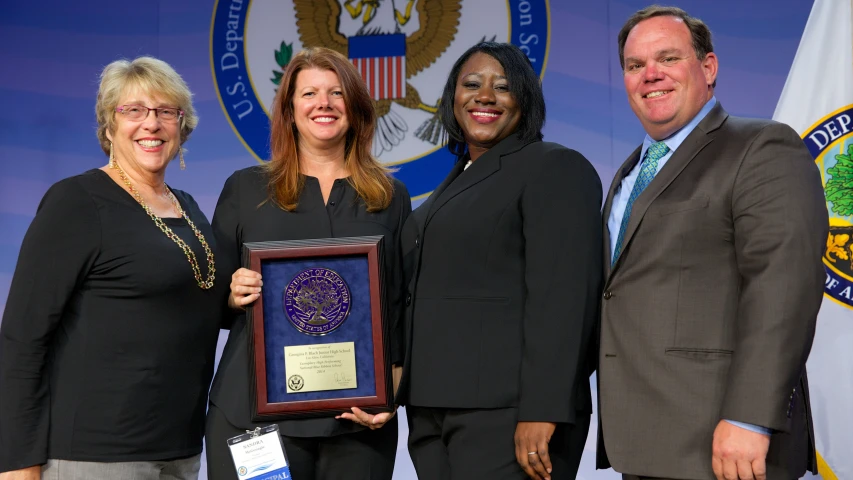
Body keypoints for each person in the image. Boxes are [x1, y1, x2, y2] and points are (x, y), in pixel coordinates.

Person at [597, 6, 827, 480]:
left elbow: (784, 286)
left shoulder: (761, 146)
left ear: (708, 67)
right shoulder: (629, 172)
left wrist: (750, 417)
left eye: (667, 58)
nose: (650, 75)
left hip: (729, 447)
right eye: (635, 65)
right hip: (645, 443)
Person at [0, 57, 225, 479]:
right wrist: (17, 463)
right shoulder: (77, 202)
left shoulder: (188, 208)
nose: (151, 124)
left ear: (183, 124)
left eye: (165, 112)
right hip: (98, 454)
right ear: (109, 125)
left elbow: (198, 302)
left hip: (180, 451)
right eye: (133, 110)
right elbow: (22, 337)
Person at [396, 42, 603, 480]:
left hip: (509, 415)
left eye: (502, 87)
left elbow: (564, 299)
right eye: (471, 84)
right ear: (452, 97)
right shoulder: (457, 179)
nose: (484, 96)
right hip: (433, 409)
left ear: (525, 99)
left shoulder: (555, 168)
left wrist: (543, 410)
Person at [205, 47, 410, 480]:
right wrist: (232, 292)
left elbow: (402, 306)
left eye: (337, 93)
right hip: (256, 419)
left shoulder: (390, 196)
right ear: (289, 109)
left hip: (358, 421)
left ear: (355, 108)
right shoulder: (246, 189)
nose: (324, 103)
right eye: (310, 93)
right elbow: (207, 300)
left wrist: (392, 390)